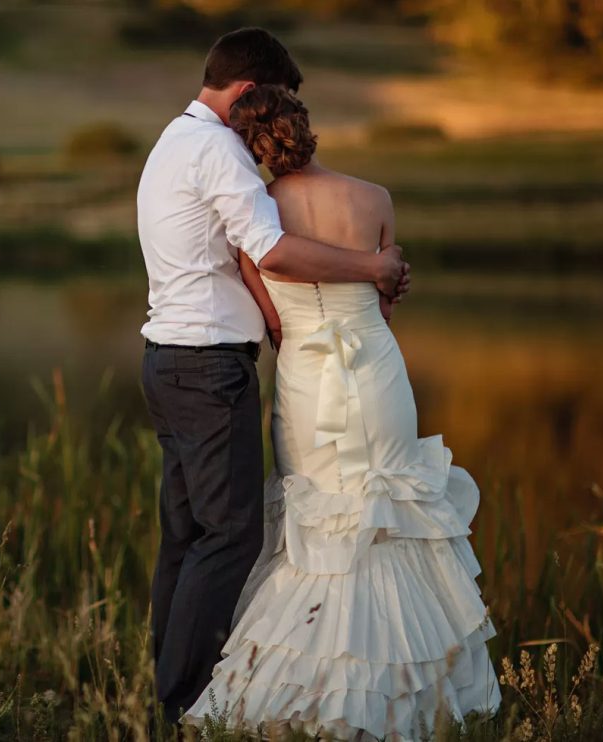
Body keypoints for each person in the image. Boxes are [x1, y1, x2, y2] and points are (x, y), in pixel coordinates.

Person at [180, 84, 502, 739]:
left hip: (306, 377)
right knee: (386, 518)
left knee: (318, 521)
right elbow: (385, 301)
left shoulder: (255, 214)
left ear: (251, 145)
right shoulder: (376, 198)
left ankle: (303, 695)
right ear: (306, 128)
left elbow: (271, 323)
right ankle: (404, 701)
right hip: (379, 372)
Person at [136, 27, 410, 724]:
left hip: (167, 360)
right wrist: (372, 269)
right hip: (205, 368)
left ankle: (168, 697)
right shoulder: (219, 151)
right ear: (251, 92)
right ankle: (187, 704)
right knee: (231, 537)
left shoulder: (173, 141)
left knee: (187, 536)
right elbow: (272, 250)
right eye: (276, 98)